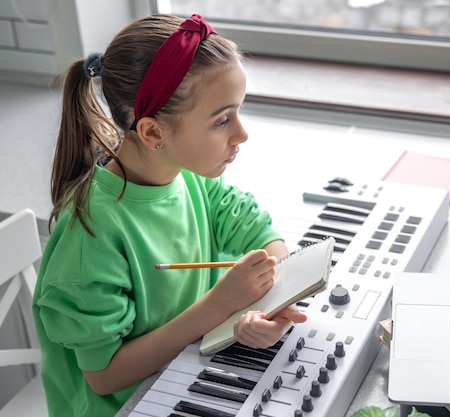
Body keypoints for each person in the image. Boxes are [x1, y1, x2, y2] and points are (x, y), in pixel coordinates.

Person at [32, 13, 307, 417]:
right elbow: (104, 376)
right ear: (153, 133)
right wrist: (220, 306)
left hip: (184, 375)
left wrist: (274, 297)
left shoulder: (189, 177)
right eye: (222, 119)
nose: (242, 134)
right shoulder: (90, 237)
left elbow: (254, 227)